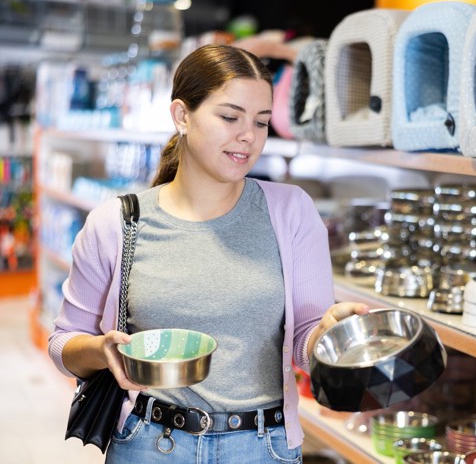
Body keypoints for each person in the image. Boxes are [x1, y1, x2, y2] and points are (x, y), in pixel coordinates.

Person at [48, 44, 368, 463]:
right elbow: (63, 343)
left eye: (261, 122)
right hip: (148, 442)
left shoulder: (291, 211)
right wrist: (101, 351)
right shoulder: (115, 223)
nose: (248, 136)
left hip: (262, 446)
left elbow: (303, 345)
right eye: (230, 117)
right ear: (182, 115)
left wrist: (327, 333)